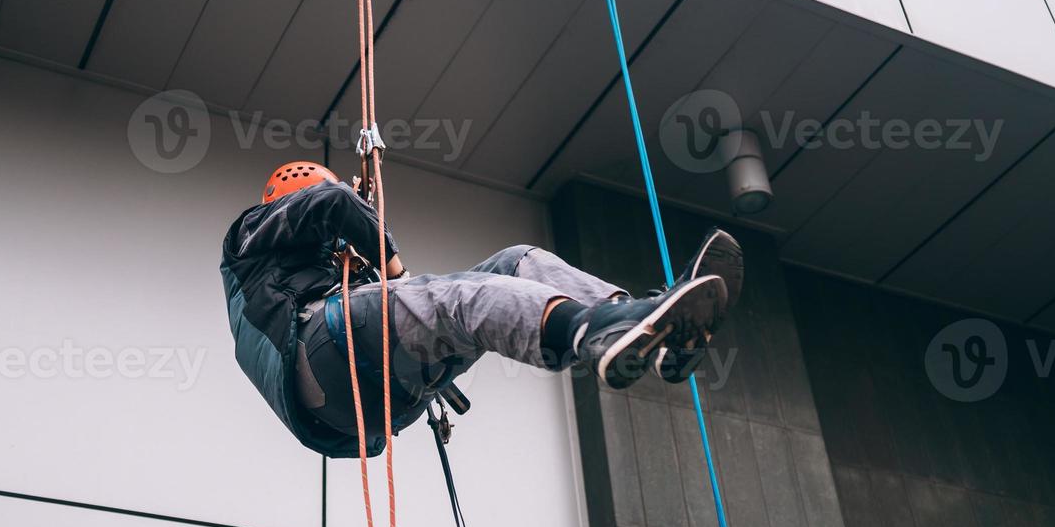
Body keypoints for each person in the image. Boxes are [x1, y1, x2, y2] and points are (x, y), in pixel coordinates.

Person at [221, 161, 743, 458]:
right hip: (323, 358)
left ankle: (648, 327)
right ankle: (595, 331)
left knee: (513, 264)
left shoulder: (306, 274)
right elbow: (333, 207)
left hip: (364, 399)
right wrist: (394, 269)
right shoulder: (250, 234)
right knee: (461, 298)